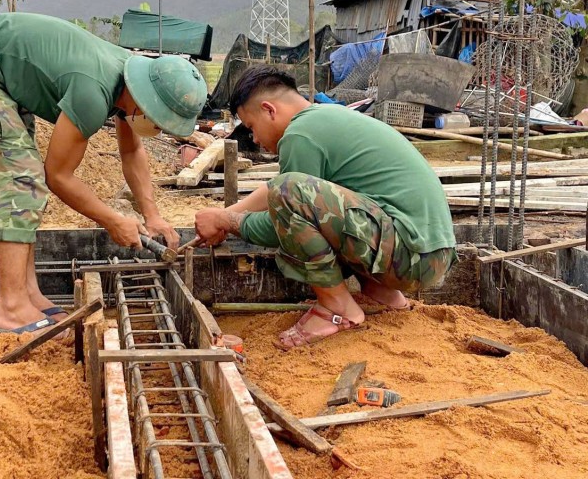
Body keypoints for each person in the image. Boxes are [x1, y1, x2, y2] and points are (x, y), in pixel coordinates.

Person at [0, 12, 207, 334]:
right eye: (158, 119)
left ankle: (28, 294)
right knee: (20, 184)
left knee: (25, 177)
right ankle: (11, 307)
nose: (156, 127)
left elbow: (131, 151)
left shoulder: (127, 79)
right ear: (144, 101)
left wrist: (152, 215)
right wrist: (112, 220)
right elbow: (58, 176)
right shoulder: (93, 91)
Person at [194, 66, 456, 349]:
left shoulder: (300, 134)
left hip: (409, 257)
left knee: (292, 193)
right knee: (304, 195)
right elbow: (277, 190)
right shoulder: (324, 120)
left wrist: (232, 222)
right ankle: (383, 295)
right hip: (429, 255)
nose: (255, 140)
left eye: (251, 128)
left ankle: (337, 308)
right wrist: (226, 215)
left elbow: (284, 215)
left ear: (269, 109)